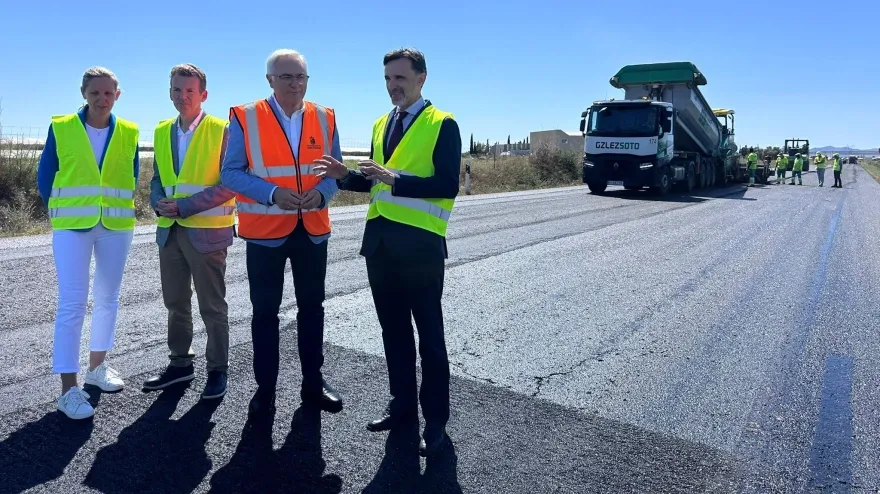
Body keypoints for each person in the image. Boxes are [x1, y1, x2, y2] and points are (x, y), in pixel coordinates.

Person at [314, 47, 462, 457]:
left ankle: (435, 424)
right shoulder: (382, 123)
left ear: (421, 78)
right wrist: (345, 177)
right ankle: (402, 410)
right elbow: (375, 183)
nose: (392, 86)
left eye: (399, 78)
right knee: (394, 335)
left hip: (420, 247)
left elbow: (447, 184)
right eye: (387, 80)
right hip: (380, 247)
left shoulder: (442, 124)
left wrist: (394, 178)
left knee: (430, 339)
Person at [220, 49, 344, 417]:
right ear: (270, 79)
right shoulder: (245, 117)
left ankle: (313, 382)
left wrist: (322, 193)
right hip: (265, 232)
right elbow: (230, 173)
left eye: (300, 77)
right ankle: (266, 389)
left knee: (312, 309)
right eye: (286, 77)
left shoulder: (326, 117)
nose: (294, 83)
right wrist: (273, 194)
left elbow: (334, 173)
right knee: (265, 313)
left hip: (312, 230)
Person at [36, 66, 140, 419]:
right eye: (95, 93)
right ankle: (69, 389)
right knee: (72, 303)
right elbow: (45, 176)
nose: (102, 99)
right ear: (84, 94)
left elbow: (132, 175)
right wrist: (62, 212)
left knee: (108, 298)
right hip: (72, 226)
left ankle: (97, 368)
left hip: (115, 225)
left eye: (108, 93)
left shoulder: (128, 131)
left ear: (117, 95)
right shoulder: (63, 127)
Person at [142, 64, 236, 400]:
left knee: (212, 306)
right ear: (170, 92)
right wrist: (158, 202)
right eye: (177, 90)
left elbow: (230, 184)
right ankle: (180, 365)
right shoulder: (161, 130)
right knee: (176, 302)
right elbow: (157, 180)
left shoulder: (222, 129)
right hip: (170, 232)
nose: (183, 97)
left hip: (207, 232)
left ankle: (217, 370)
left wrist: (185, 205)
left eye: (190, 91)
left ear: (203, 95)